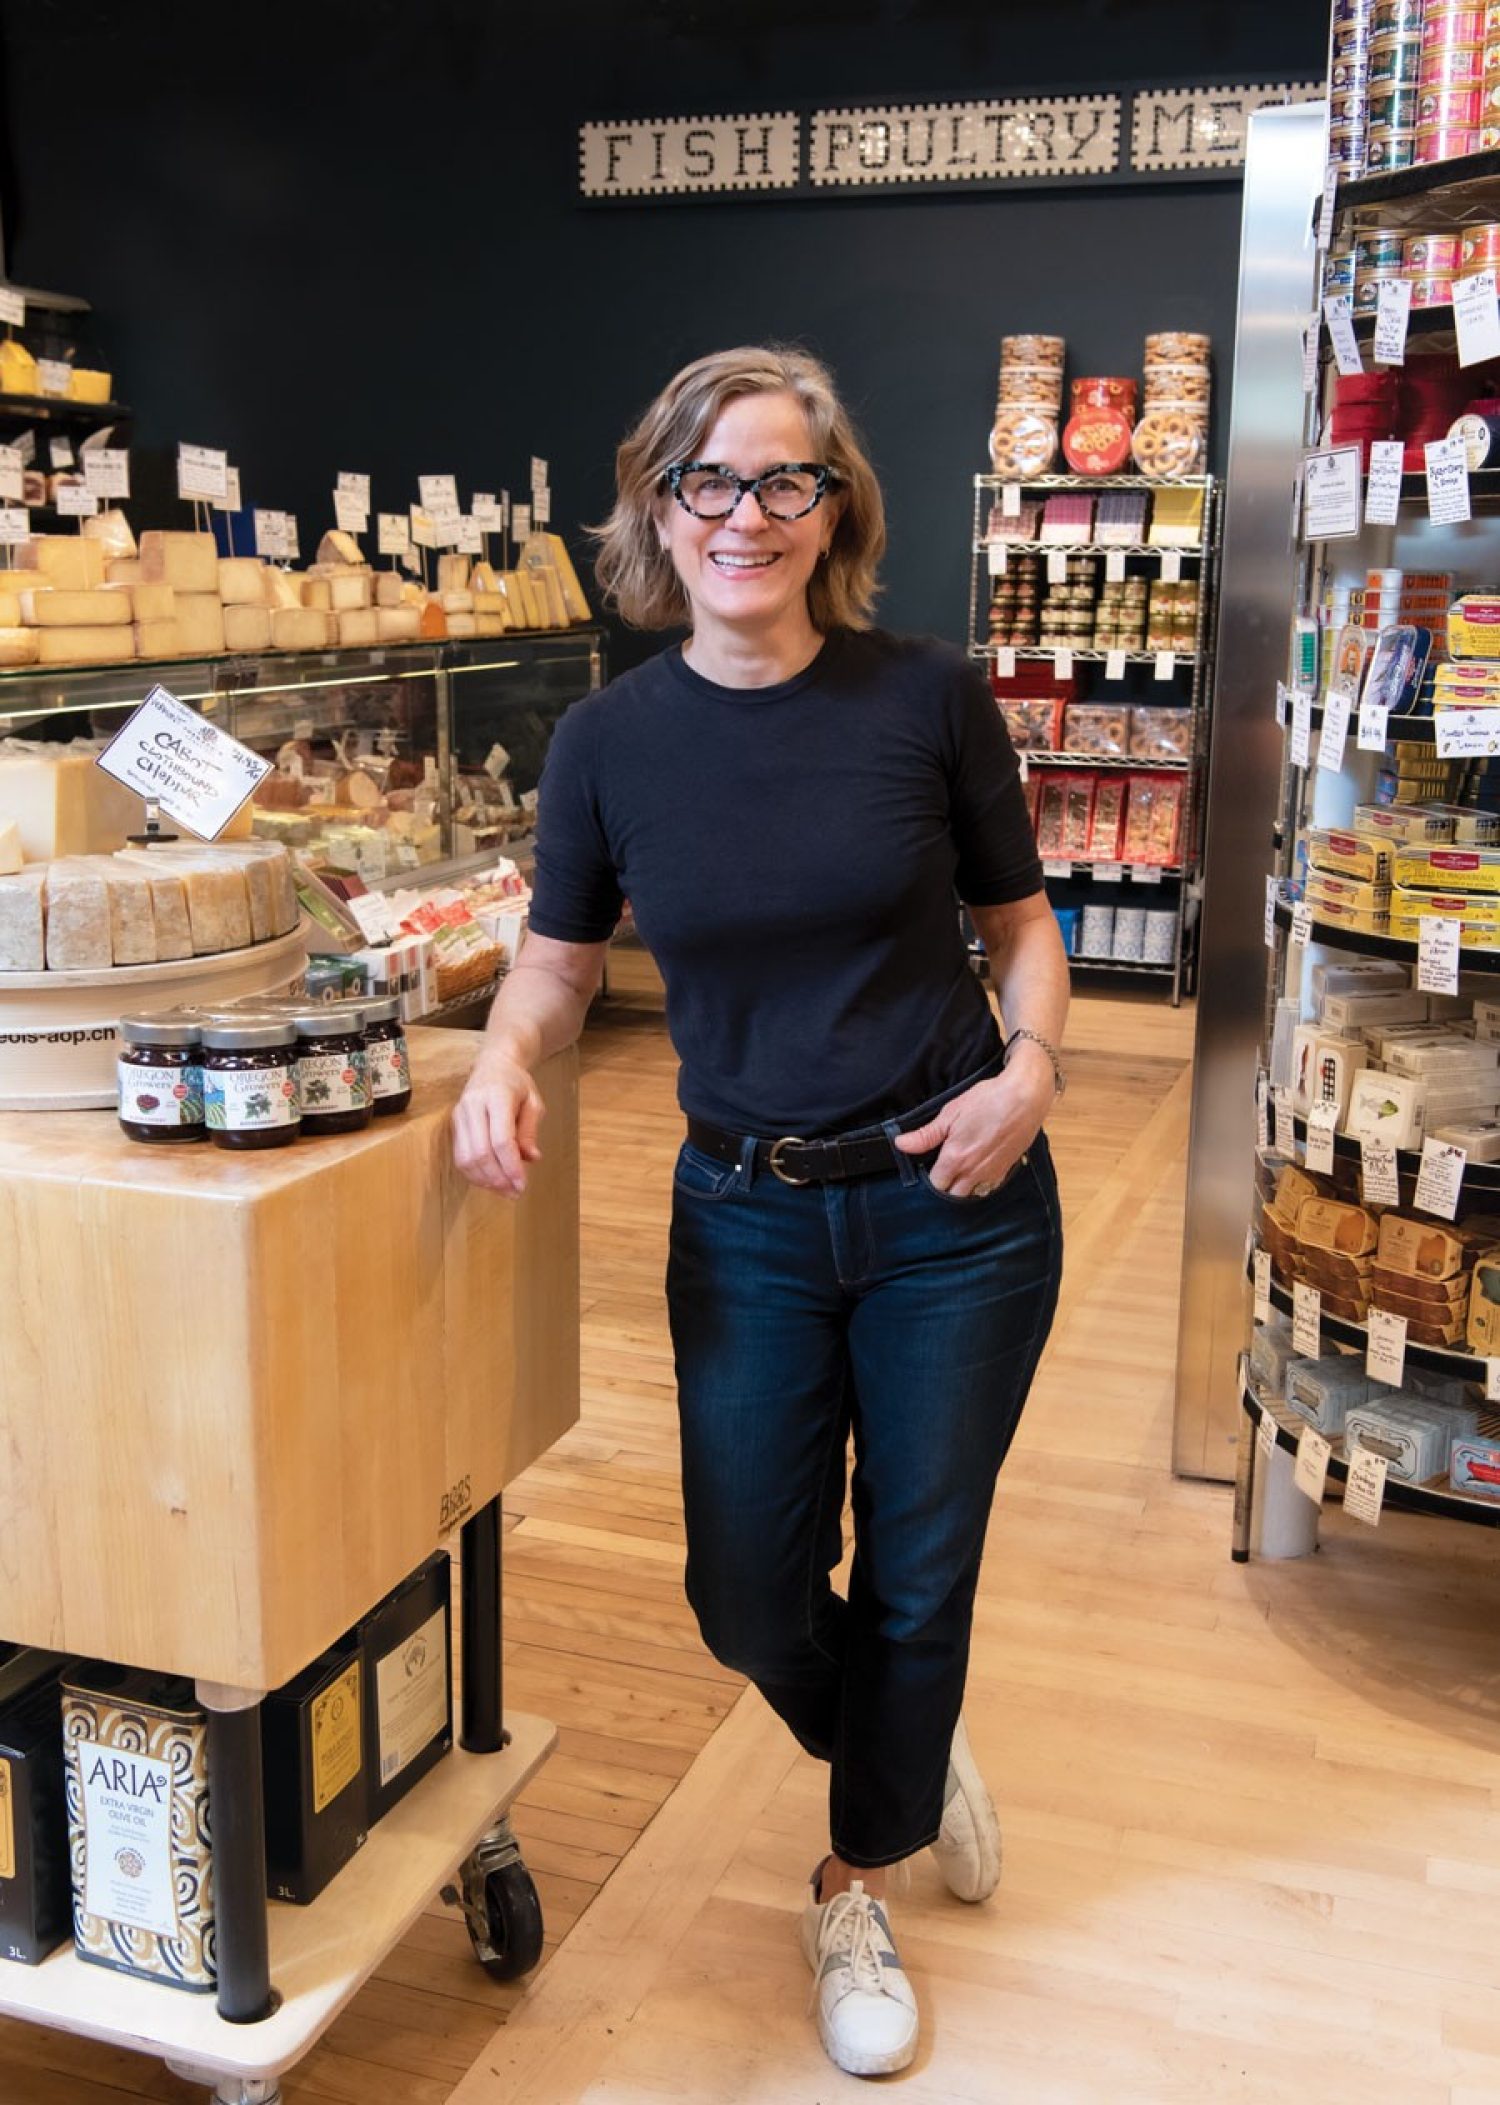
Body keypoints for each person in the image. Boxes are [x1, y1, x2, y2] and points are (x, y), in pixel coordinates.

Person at [452, 344, 1066, 2079]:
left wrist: (1029, 1073)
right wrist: (507, 1055)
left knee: (923, 1568)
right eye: (711, 482)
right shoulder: (606, 740)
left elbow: (1020, 921)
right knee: (744, 1595)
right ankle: (903, 1738)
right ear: (661, 505)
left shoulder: (927, 696)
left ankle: (850, 1872)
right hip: (745, 1214)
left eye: (785, 480)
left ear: (834, 506)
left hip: (957, 1197)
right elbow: (557, 967)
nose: (748, 514)